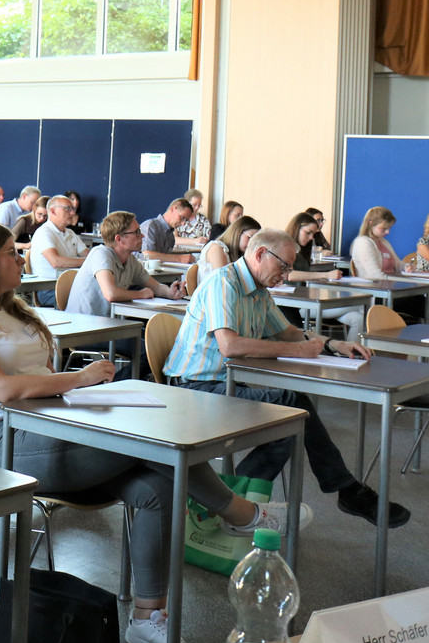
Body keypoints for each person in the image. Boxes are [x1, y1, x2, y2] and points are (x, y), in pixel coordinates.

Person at [0, 222, 302, 643]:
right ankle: (240, 513)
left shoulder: (17, 311)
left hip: (60, 427)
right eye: (11, 254)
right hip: (7, 444)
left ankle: (147, 618)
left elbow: (38, 378)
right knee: (154, 443)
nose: (20, 259)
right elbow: (2, 389)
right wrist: (80, 379)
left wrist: (77, 390)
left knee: (156, 485)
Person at [164, 228, 410, 528]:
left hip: (223, 385)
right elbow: (231, 346)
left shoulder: (259, 292)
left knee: (288, 423)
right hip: (192, 390)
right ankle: (344, 490)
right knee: (292, 408)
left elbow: (288, 331)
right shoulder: (223, 284)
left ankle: (228, 504)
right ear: (259, 255)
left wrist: (334, 344)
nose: (286, 274)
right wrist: (298, 350)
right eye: (283, 266)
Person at [66, 211, 184, 320]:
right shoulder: (101, 254)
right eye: (137, 232)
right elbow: (111, 294)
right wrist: (140, 294)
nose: (142, 236)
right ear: (119, 239)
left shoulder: (130, 259)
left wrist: (170, 293)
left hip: (106, 324)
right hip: (83, 326)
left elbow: (156, 287)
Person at [284, 212, 364, 341]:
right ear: (297, 228)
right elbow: (290, 275)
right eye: (308, 233)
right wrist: (326, 275)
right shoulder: (285, 248)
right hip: (298, 305)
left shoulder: (302, 252)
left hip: (308, 300)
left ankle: (348, 356)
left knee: (358, 318)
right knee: (362, 305)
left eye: (313, 234)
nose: (311, 238)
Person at [29, 194, 88, 305]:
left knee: (98, 294)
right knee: (88, 299)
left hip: (73, 285)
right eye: (68, 209)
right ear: (53, 211)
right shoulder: (44, 232)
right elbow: (56, 262)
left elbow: (88, 255)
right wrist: (87, 262)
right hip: (49, 289)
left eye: (73, 209)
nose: (72, 213)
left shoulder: (70, 233)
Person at [196, 214, 261, 286]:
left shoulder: (240, 254)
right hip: (211, 295)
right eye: (250, 238)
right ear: (238, 232)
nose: (252, 244)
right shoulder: (216, 248)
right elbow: (224, 282)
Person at [350, 206, 405, 280]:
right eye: (384, 228)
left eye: (389, 228)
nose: (388, 232)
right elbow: (375, 275)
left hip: (388, 285)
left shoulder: (383, 242)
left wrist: (407, 267)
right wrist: (401, 281)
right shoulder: (362, 243)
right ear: (371, 223)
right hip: (372, 288)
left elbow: (397, 265)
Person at [141, 198, 196, 263]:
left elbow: (165, 258)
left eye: (186, 220)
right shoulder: (150, 226)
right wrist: (179, 258)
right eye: (182, 217)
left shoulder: (171, 236)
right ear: (173, 209)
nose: (183, 223)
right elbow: (147, 255)